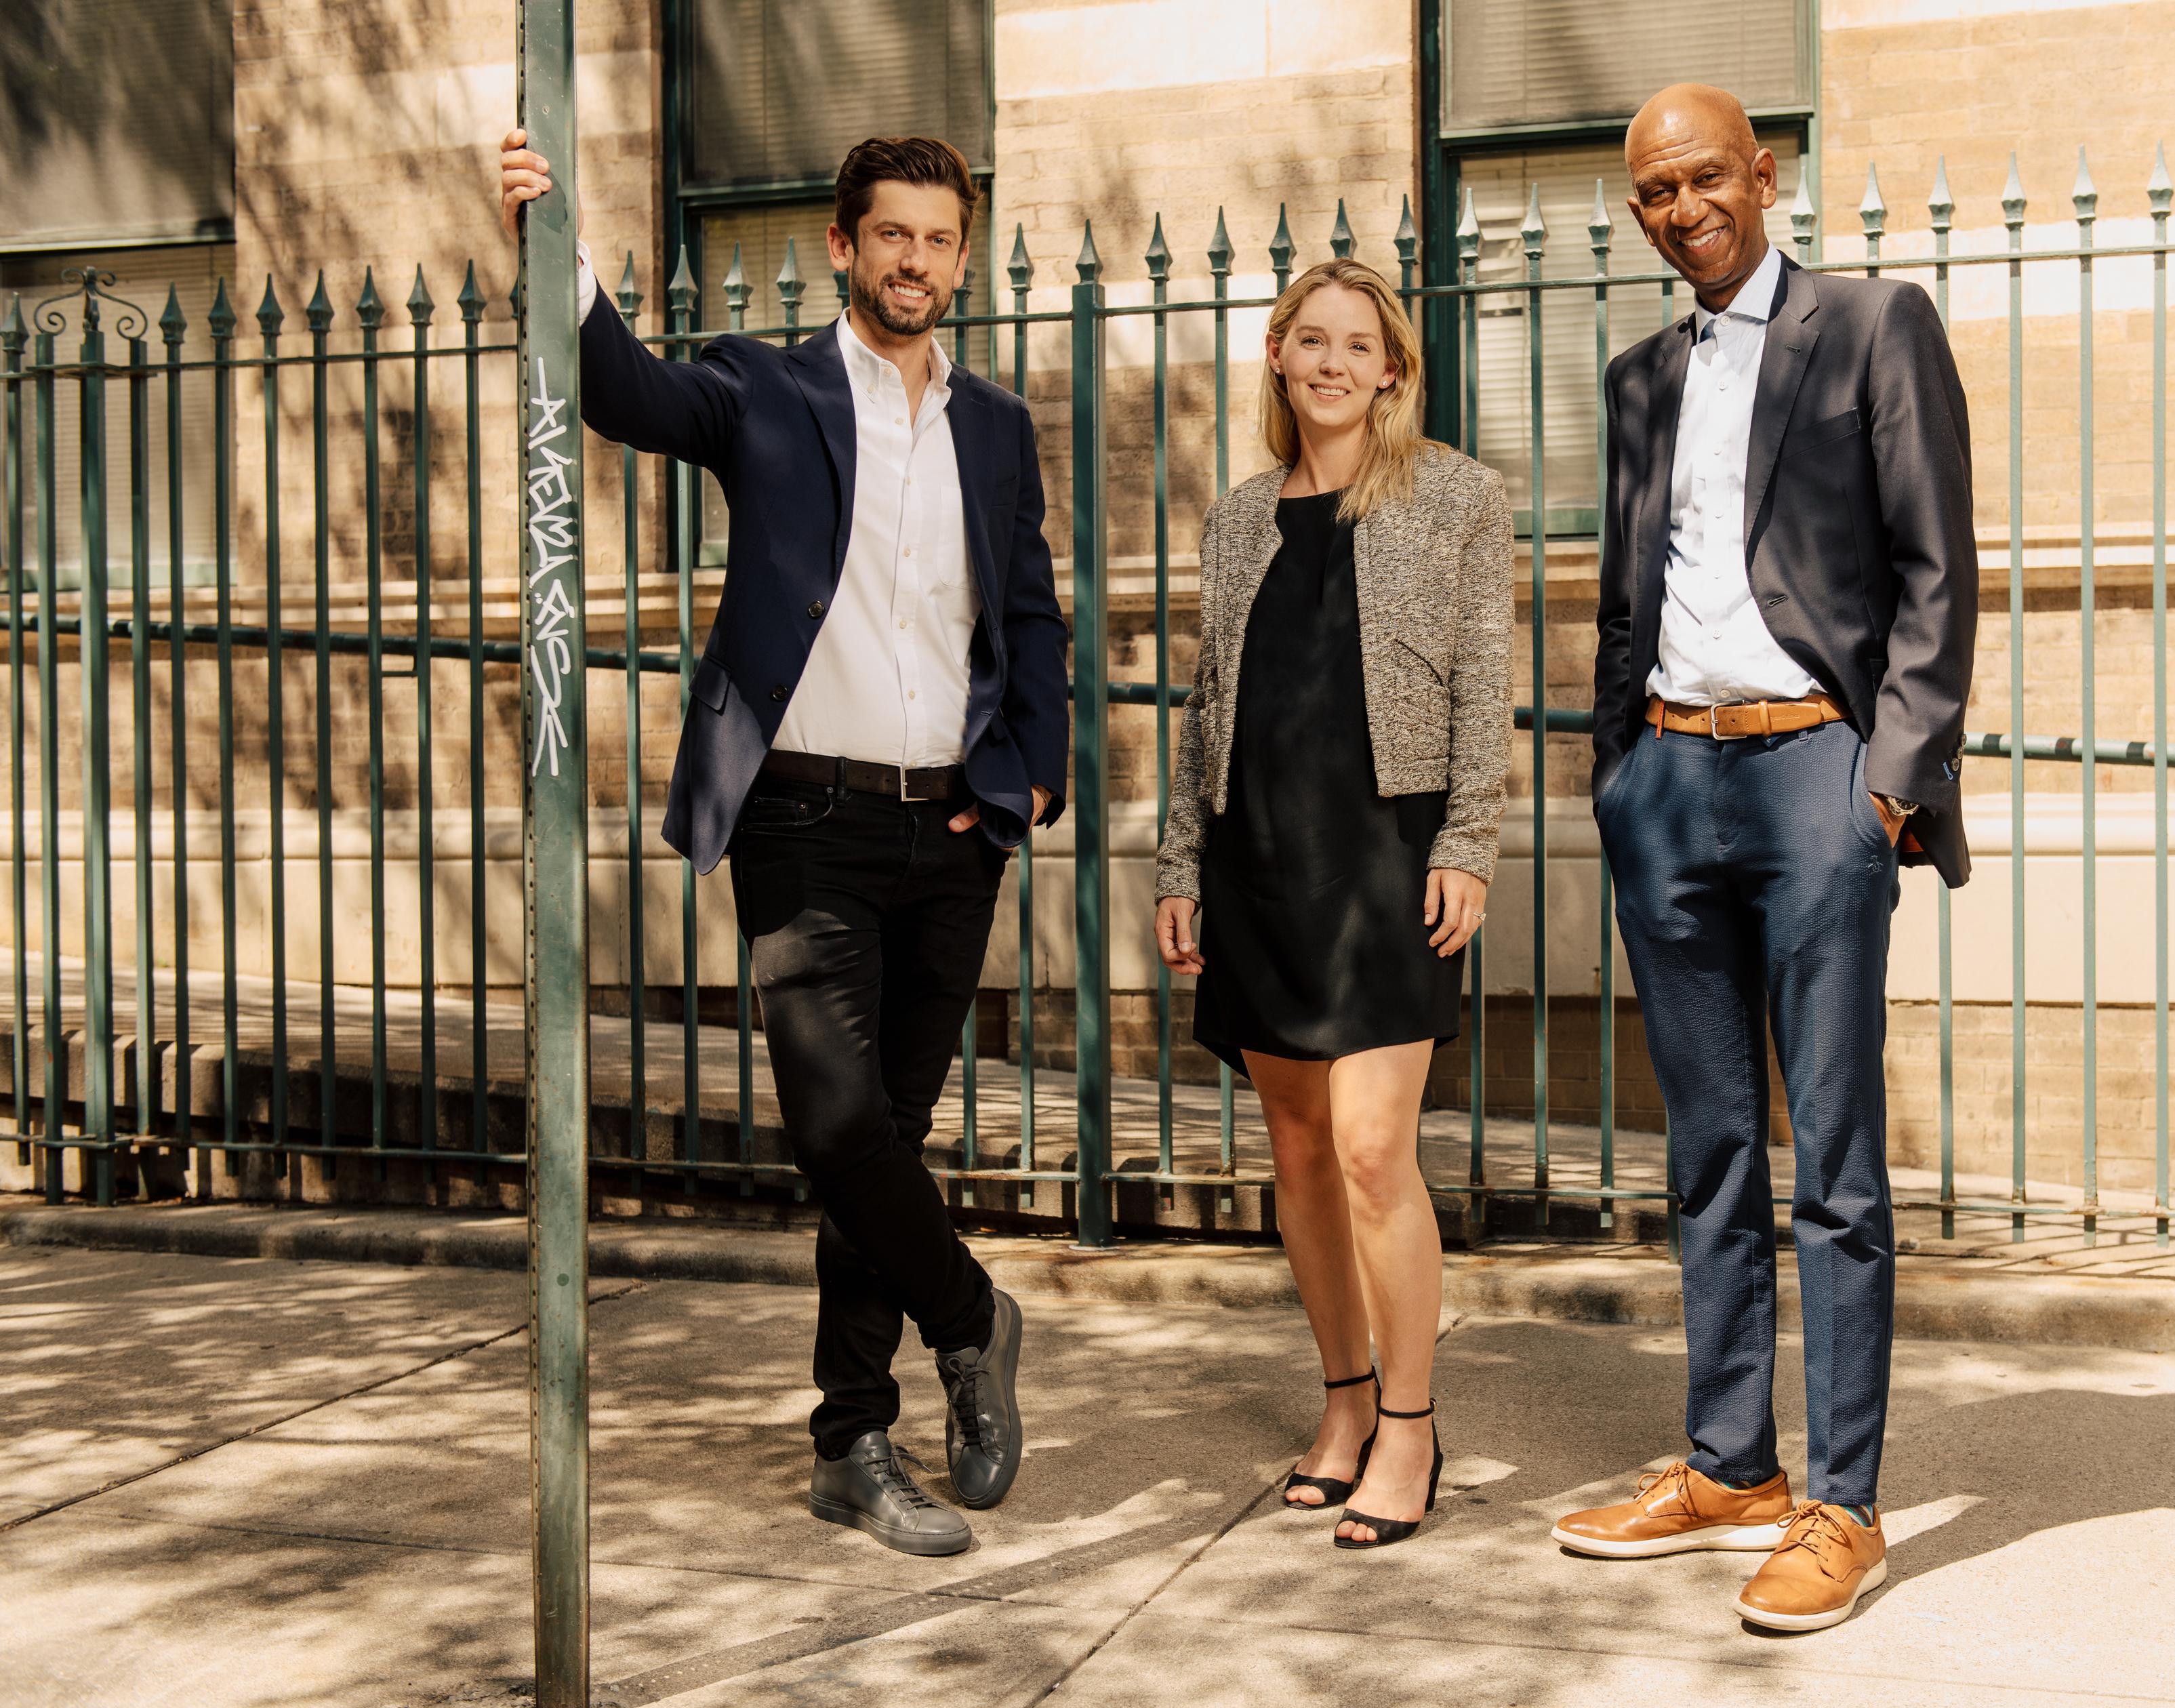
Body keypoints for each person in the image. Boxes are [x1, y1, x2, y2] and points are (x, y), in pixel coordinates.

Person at [497, 130, 1068, 1559]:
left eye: (940, 239)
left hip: (952, 819)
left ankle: (852, 1440)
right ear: (843, 243)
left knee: (888, 1128)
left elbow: (1035, 610)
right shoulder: (770, 387)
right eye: (892, 236)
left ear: (961, 253)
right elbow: (626, 389)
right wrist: (548, 241)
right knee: (835, 1121)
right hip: (804, 815)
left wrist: (1039, 774)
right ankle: (970, 1313)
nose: (917, 261)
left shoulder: (996, 426)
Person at [1550, 84, 1976, 1630]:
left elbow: (1939, 572)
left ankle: (1843, 1505)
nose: (1683, 207)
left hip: (1817, 773)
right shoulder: (1635, 376)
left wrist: (1890, 778)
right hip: (1670, 780)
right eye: (1655, 191)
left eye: (1706, 176)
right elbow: (1622, 587)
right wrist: (1618, 776)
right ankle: (1730, 1459)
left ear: (1765, 173)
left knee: (1836, 1167)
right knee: (1710, 1150)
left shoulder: (1872, 328)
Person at [1152, 259, 1510, 1551]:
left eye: (1360, 345)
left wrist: (1469, 838)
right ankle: (1346, 1403)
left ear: (1395, 371)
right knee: (1298, 1151)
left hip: (1385, 856)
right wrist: (1179, 864)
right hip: (1259, 856)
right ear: (1278, 358)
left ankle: (1411, 1427)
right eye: (1312, 340)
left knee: (1371, 1149)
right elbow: (1204, 708)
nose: (1334, 363)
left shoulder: (1460, 498)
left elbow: (1485, 680)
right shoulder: (1242, 516)